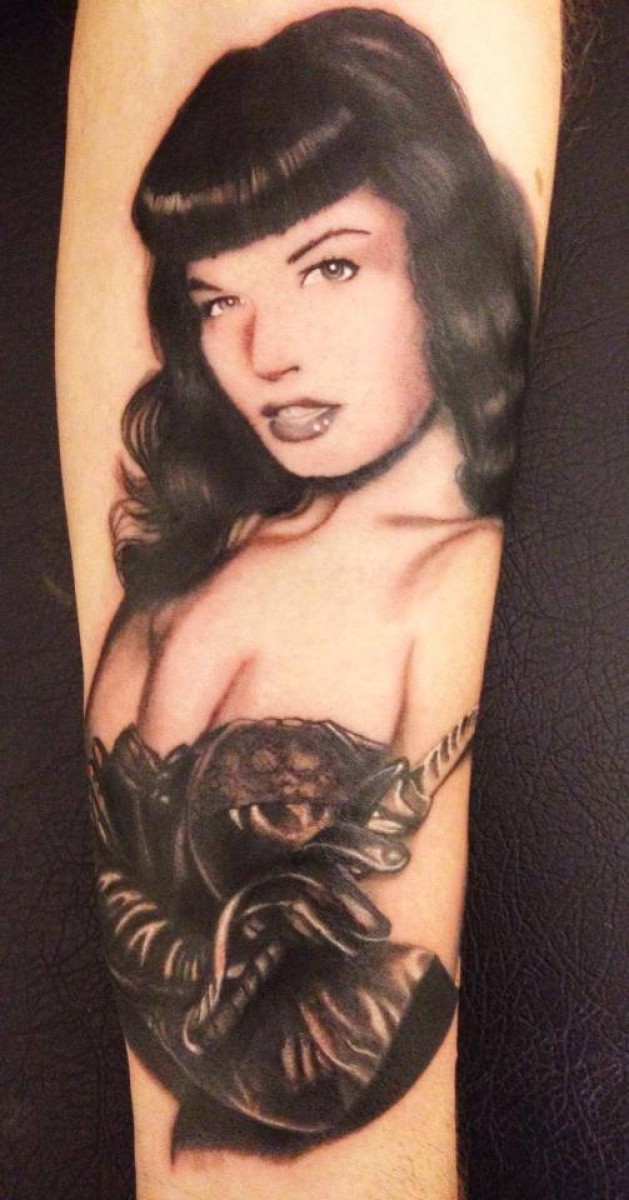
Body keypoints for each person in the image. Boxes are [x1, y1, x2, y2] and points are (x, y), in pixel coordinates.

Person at [84, 7, 536, 1160]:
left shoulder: (453, 580)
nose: (265, 353)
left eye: (329, 266)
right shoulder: (182, 574)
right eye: (216, 298)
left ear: (444, 257)